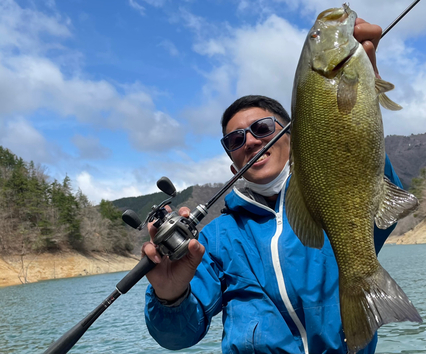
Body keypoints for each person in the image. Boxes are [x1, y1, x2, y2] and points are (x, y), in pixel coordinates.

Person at [143, 19, 403, 354]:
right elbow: (179, 336)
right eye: (235, 139)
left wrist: (358, 97)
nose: (250, 141)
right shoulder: (216, 239)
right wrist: (170, 296)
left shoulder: (328, 204)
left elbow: (379, 207)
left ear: (293, 137)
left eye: (263, 128)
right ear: (232, 163)